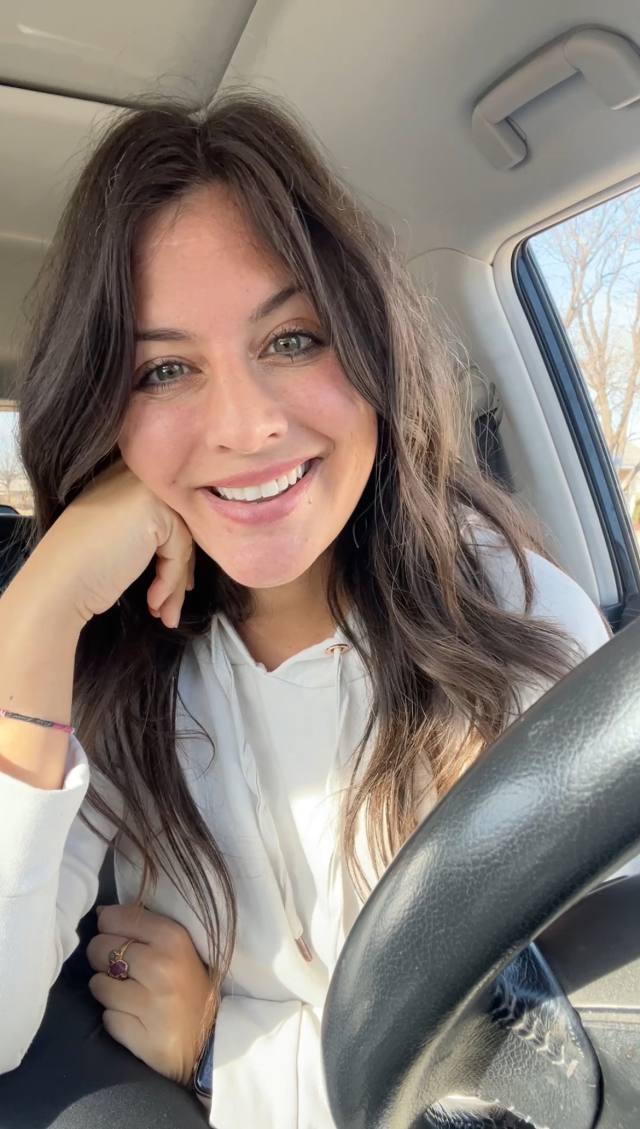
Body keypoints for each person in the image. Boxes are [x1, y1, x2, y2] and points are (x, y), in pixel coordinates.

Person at [0, 89, 610, 1128]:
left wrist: (221, 1051)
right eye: (165, 369)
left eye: (291, 339)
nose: (246, 427)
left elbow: (561, 1066)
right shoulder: (105, 672)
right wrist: (38, 608)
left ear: (371, 348)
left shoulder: (511, 620)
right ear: (105, 408)